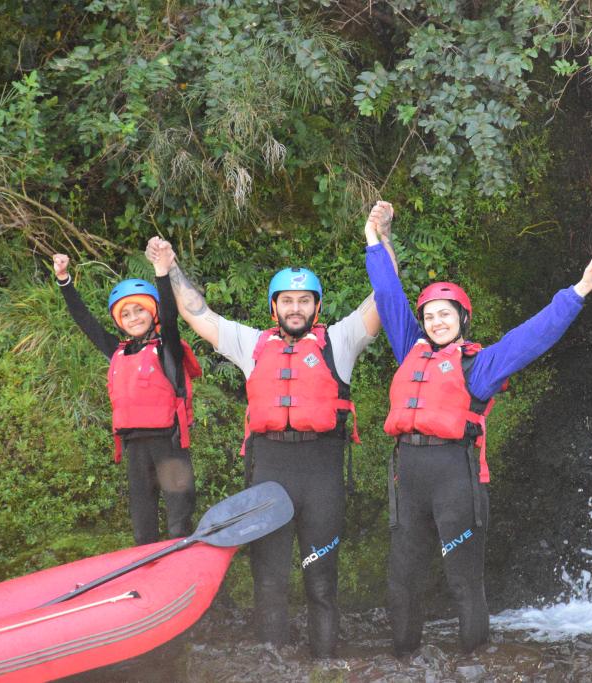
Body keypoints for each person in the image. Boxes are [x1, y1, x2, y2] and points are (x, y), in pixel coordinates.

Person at [149, 202, 396, 658]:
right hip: (269, 468)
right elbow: (195, 312)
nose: (296, 308)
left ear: (316, 307)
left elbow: (385, 296)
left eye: (304, 301)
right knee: (269, 575)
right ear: (274, 306)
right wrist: (169, 268)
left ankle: (323, 662)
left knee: (321, 576)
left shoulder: (339, 341)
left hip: (321, 472)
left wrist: (381, 236)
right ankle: (272, 660)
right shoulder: (250, 344)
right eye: (287, 300)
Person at [364, 209, 592, 656]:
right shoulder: (408, 349)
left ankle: (475, 661)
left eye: (446, 314)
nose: (437, 321)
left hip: (456, 479)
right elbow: (387, 295)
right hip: (409, 478)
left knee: (463, 578)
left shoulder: (479, 365)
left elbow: (533, 336)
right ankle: (403, 658)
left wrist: (579, 291)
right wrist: (374, 238)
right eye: (431, 315)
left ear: (462, 319)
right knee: (402, 577)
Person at [52, 252, 200, 546]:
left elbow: (170, 317)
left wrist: (160, 272)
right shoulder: (117, 351)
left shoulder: (166, 347)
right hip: (135, 444)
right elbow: (86, 323)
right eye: (126, 314)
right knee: (143, 523)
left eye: (139, 310)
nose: (134, 318)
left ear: (152, 313)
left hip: (168, 443)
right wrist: (64, 281)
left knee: (178, 519)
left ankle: (185, 561)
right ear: (119, 321)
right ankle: (147, 572)